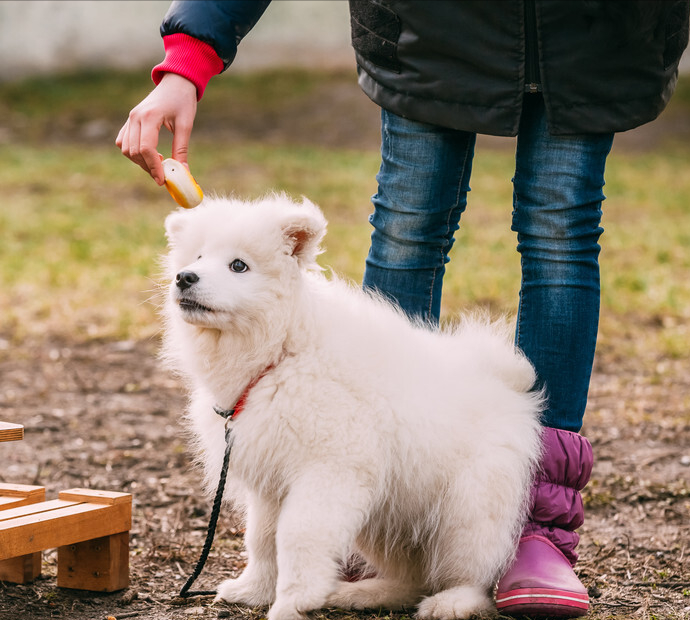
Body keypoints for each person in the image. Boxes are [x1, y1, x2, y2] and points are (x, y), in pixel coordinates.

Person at [117, 1, 690, 617]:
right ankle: (363, 530)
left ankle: (536, 524)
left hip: (594, 32)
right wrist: (188, 59)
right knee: (407, 230)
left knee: (560, 237)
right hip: (433, 28)